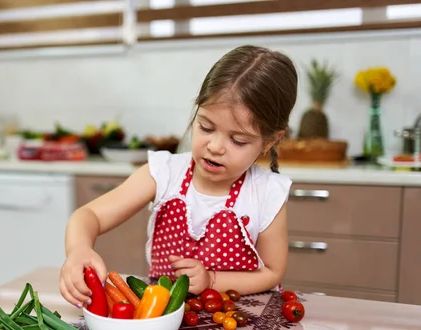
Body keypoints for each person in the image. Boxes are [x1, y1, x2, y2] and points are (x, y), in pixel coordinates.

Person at [59, 45, 298, 309]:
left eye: (238, 140)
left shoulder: (266, 192)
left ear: (269, 141)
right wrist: (78, 250)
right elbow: (88, 216)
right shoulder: (164, 173)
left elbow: (272, 272)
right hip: (164, 318)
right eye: (206, 127)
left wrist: (211, 280)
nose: (216, 146)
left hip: (239, 319)